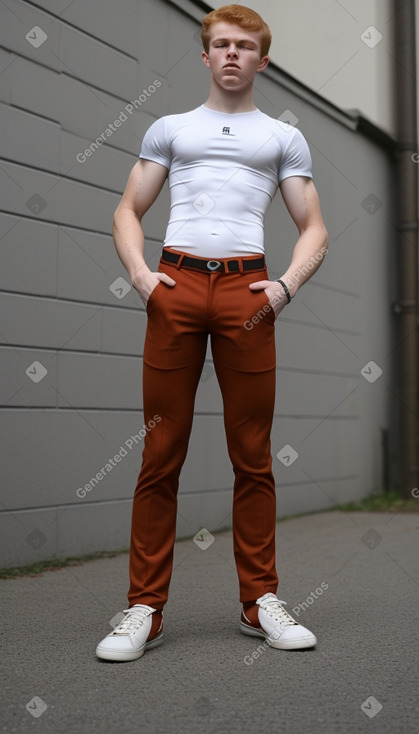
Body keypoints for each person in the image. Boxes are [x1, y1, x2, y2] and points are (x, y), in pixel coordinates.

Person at [96, 3, 328, 662]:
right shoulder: (170, 127)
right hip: (174, 285)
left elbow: (315, 227)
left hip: (247, 294)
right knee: (158, 453)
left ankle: (261, 602)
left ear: (262, 59)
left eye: (244, 46)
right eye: (220, 44)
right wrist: (141, 274)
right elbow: (126, 210)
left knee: (251, 453)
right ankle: (143, 607)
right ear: (205, 56)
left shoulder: (282, 137)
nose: (231, 54)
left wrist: (284, 285)